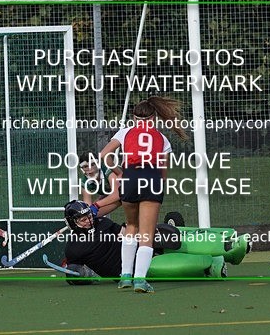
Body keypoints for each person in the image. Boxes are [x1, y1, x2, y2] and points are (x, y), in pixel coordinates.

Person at [98, 95, 189, 293]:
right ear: (154, 119)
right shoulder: (162, 139)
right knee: (146, 234)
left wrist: (120, 173)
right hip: (152, 180)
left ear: (134, 118)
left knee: (131, 226)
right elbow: (163, 171)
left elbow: (104, 156)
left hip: (129, 178)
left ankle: (125, 277)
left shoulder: (125, 132)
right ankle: (140, 280)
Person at [57, 200, 250, 285]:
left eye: (88, 216)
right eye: (82, 219)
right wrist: (75, 273)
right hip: (133, 270)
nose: (88, 220)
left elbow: (124, 232)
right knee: (188, 264)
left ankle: (231, 249)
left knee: (174, 237)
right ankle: (215, 265)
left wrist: (146, 234)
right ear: (72, 223)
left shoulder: (102, 222)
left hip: (142, 247)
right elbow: (72, 268)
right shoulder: (74, 248)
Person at [78, 152, 122, 217]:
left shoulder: (108, 170)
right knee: (89, 215)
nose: (89, 168)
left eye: (93, 164)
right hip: (111, 194)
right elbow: (88, 205)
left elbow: (117, 194)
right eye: (85, 166)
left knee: (93, 215)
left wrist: (96, 205)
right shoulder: (85, 182)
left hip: (128, 191)